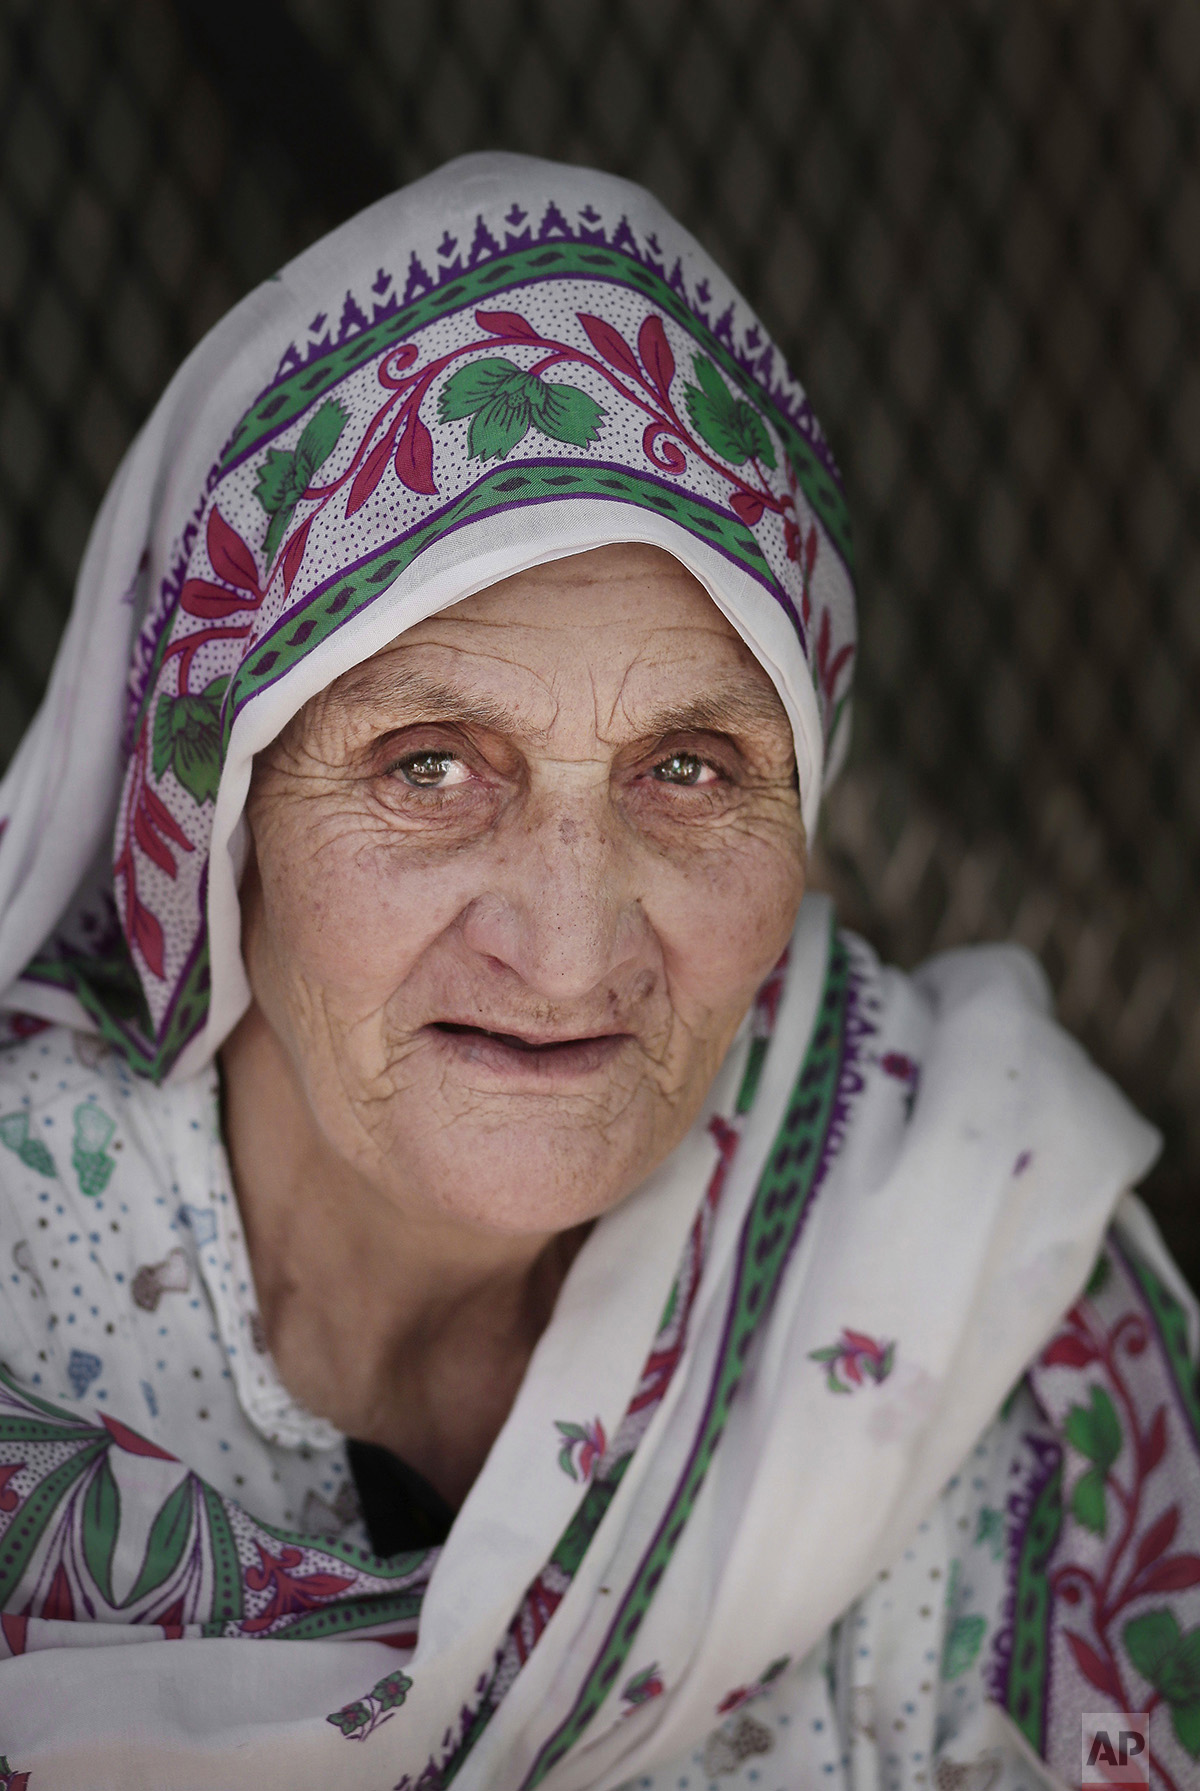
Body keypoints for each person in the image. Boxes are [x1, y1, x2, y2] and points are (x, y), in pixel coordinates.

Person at [0, 152, 1194, 1791]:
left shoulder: (996, 1284)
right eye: (428, 766)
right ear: (215, 819)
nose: (567, 947)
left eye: (691, 770)